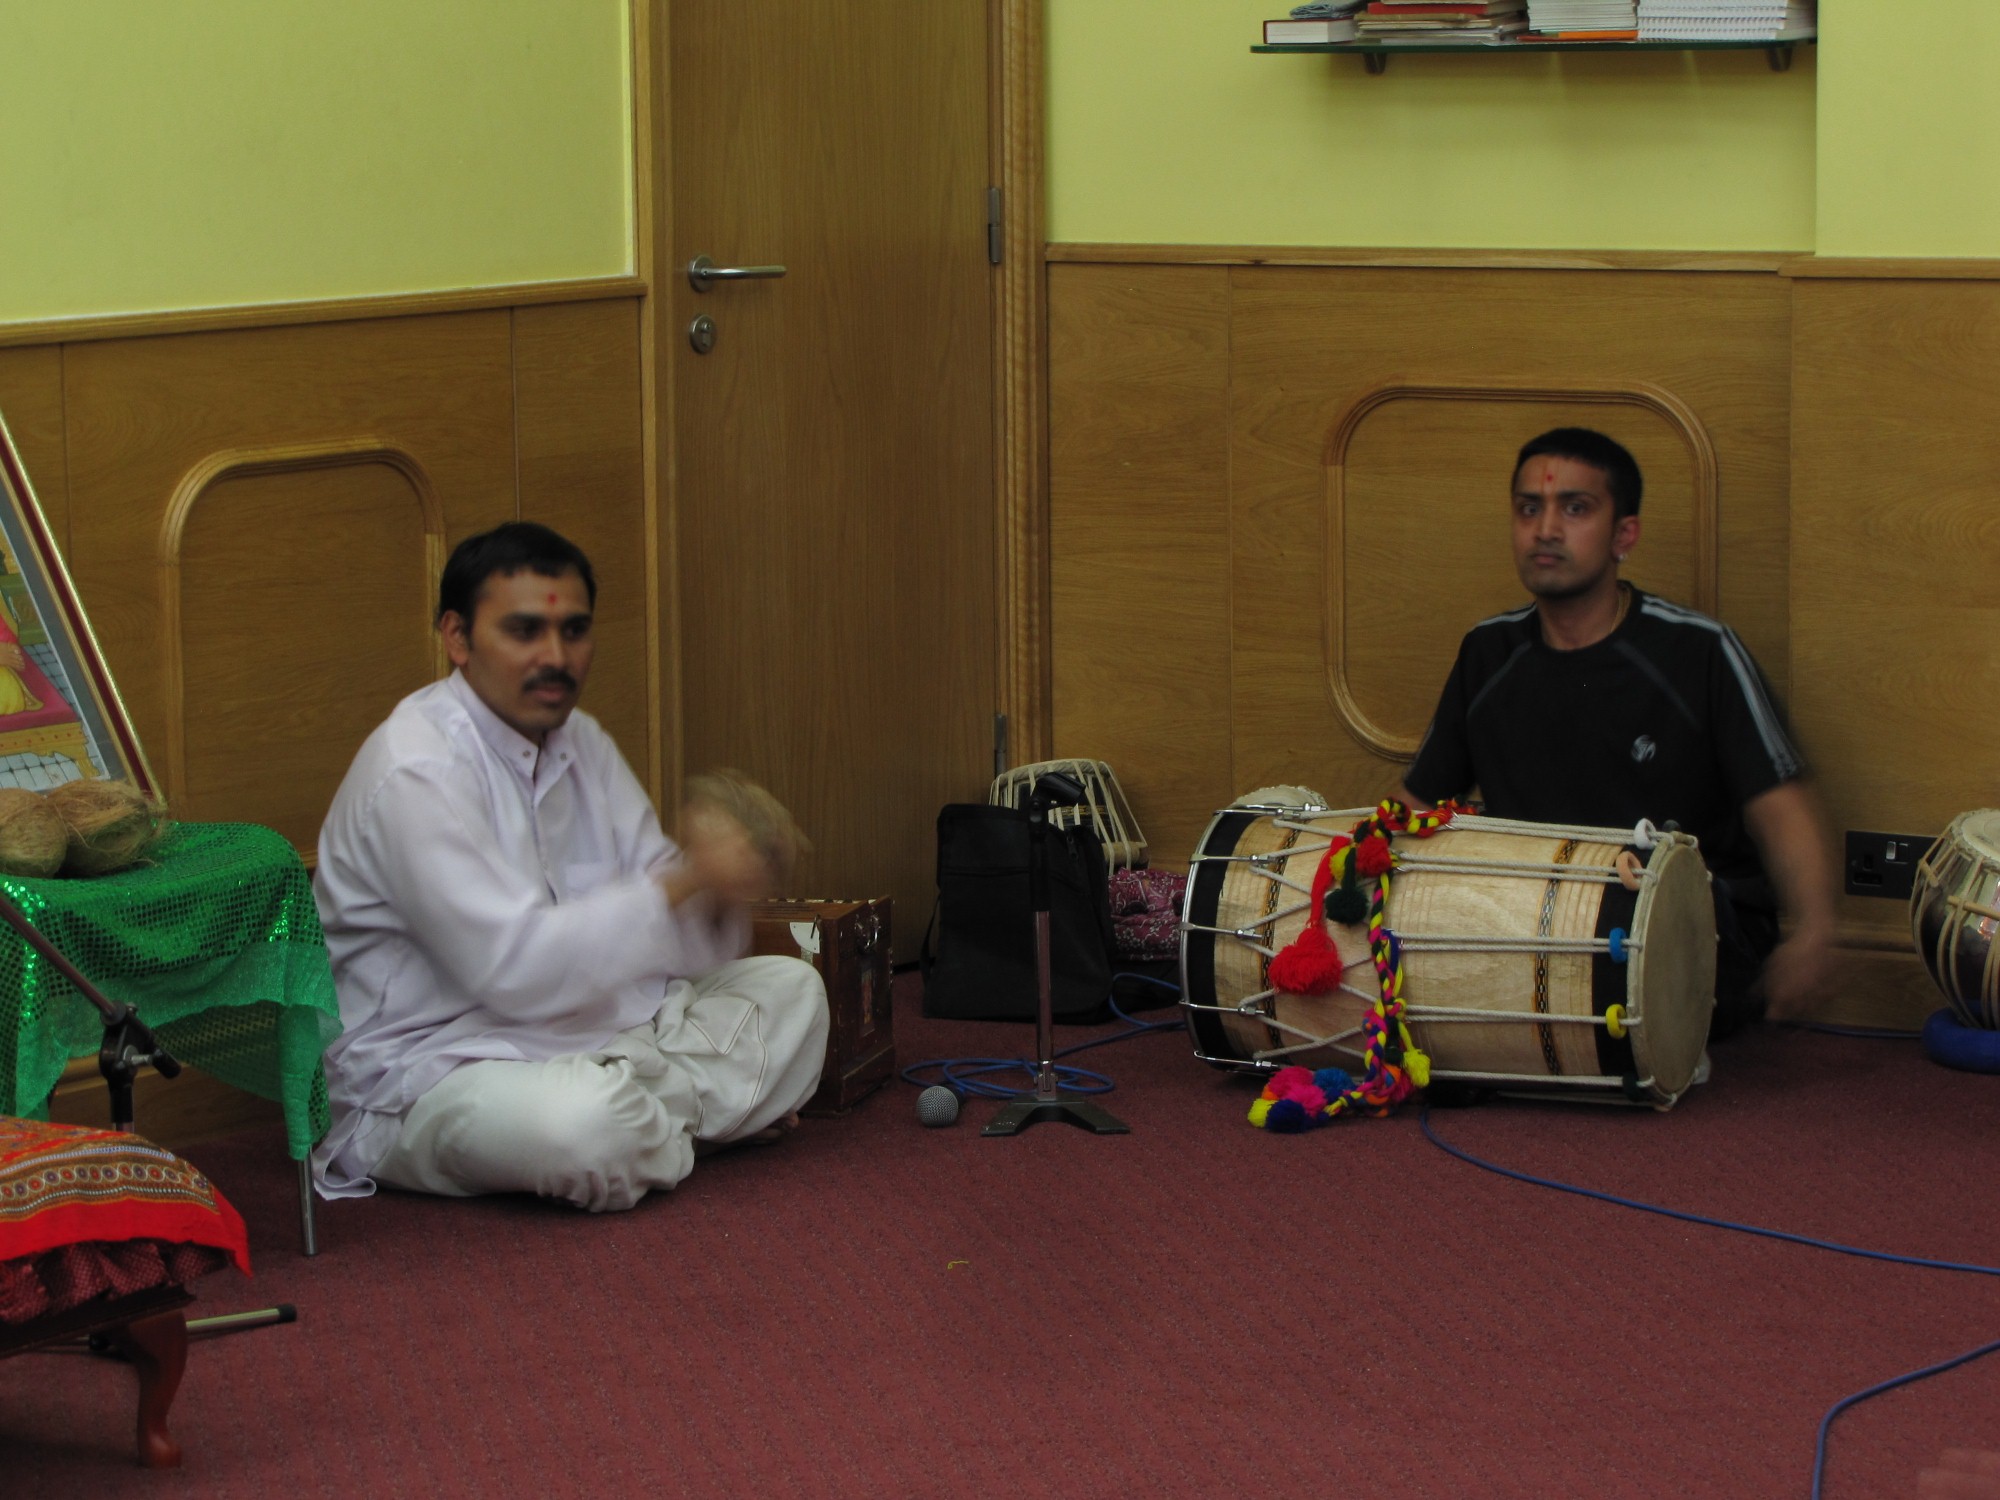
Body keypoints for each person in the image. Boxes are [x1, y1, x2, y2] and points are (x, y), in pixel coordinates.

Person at [311, 522, 828, 1211]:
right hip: (435, 1070)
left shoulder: (580, 740)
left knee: (796, 992)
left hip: (600, 1031)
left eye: (574, 631)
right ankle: (677, 1130)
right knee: (582, 1125)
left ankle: (647, 1128)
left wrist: (725, 886)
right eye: (524, 632)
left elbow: (672, 940)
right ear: (457, 639)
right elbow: (513, 972)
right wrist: (688, 877)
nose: (555, 657)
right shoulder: (416, 769)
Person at [1399, 428, 1836, 1037]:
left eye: (1574, 509)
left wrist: (1814, 931)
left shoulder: (1699, 651)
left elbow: (1779, 803)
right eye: (1530, 508)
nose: (1545, 529)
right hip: (1535, 923)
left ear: (1623, 536)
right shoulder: (1487, 652)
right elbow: (1418, 809)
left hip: (1692, 925)